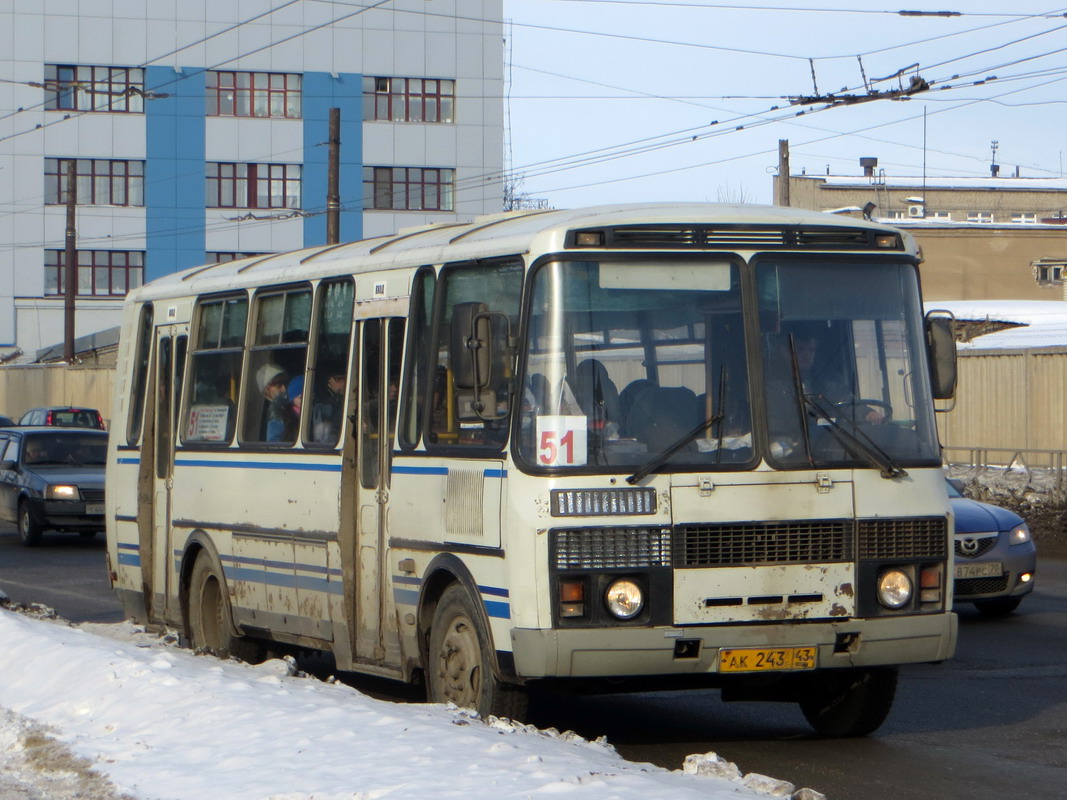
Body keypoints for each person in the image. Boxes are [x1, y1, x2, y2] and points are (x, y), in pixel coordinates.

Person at [257, 363, 292, 442]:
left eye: (285, 385)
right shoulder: (268, 410)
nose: (284, 389)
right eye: (279, 386)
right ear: (267, 389)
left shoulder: (286, 406)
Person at [311, 372, 346, 443]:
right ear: (328, 380)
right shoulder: (321, 403)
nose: (343, 383)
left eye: (345, 378)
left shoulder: (348, 399)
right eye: (338, 379)